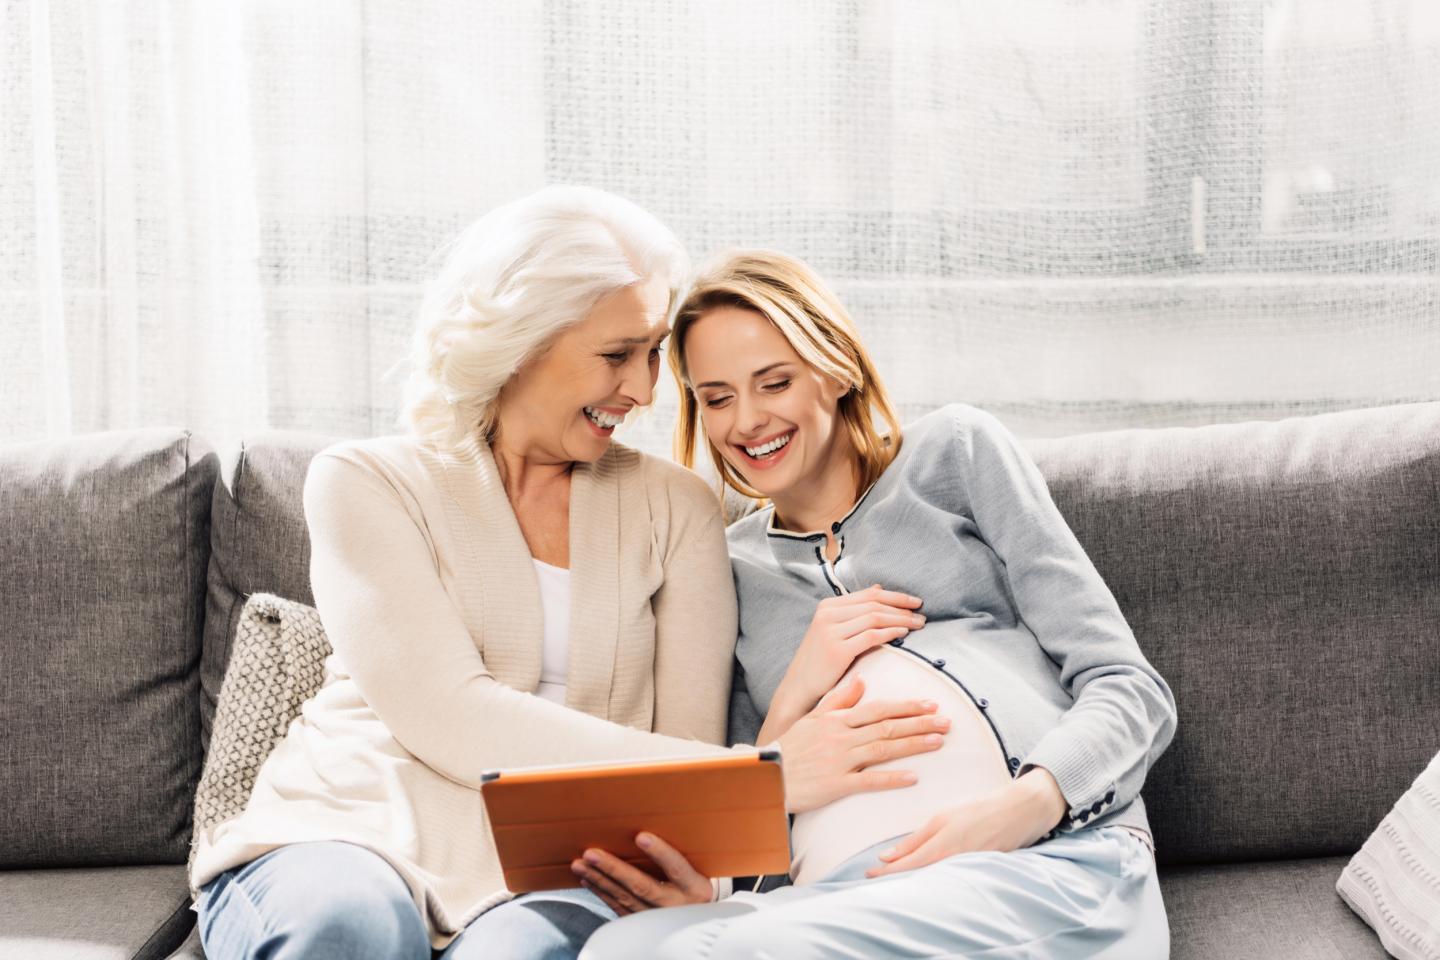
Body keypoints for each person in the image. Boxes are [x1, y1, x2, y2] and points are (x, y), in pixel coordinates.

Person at [189, 192, 945, 960]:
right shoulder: (365, 481)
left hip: (568, 868)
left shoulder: (678, 508)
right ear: (522, 340)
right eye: (617, 355)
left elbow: (683, 743)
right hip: (347, 830)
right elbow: (449, 715)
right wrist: (760, 779)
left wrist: (705, 869)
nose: (646, 391)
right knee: (350, 925)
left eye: (654, 354)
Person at [575, 249, 1179, 959]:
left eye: (774, 382)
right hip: (836, 900)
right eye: (717, 397)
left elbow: (1133, 691)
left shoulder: (953, 454)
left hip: (1042, 863)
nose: (747, 421)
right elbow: (756, 833)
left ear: (837, 369)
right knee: (618, 949)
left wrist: (1024, 808)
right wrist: (798, 686)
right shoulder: (724, 564)